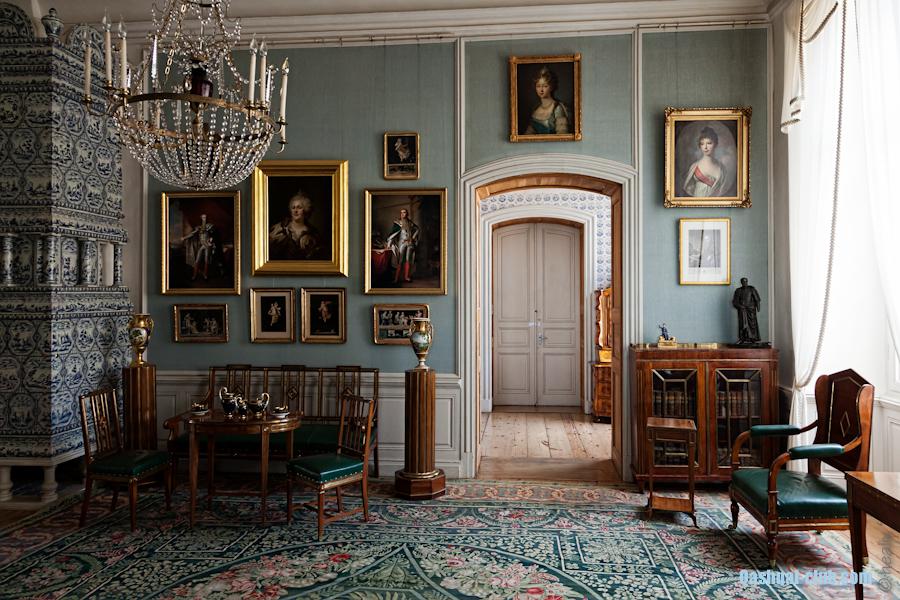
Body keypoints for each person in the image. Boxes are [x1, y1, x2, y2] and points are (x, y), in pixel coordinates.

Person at [269, 190, 323, 260]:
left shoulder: (312, 233)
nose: (295, 211)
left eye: (299, 207)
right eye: (293, 208)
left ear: (305, 210)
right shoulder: (280, 228)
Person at [524, 66, 571, 135]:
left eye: (545, 86)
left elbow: (562, 135)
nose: (541, 90)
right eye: (538, 86)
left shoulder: (557, 108)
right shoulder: (536, 109)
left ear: (551, 87)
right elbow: (528, 135)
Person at [682, 126, 728, 197]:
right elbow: (689, 190)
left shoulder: (722, 169)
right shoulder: (694, 167)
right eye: (702, 144)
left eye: (709, 143)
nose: (705, 147)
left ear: (715, 144)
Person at [385, 208, 420, 283]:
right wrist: (389, 244)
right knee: (400, 261)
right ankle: (396, 279)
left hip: (409, 243)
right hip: (402, 243)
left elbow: (417, 229)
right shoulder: (397, 223)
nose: (403, 214)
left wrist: (413, 238)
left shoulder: (410, 222)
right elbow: (393, 234)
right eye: (401, 213)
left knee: (408, 260)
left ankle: (406, 277)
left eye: (404, 212)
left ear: (407, 214)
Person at [182, 213, 217, 280]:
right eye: (203, 217)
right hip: (202, 245)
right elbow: (192, 234)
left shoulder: (209, 226)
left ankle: (205, 275)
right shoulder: (198, 227)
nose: (204, 219)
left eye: (205, 217)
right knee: (197, 260)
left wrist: (211, 239)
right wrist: (184, 237)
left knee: (206, 260)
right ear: (201, 218)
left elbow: (214, 234)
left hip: (207, 245)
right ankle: (194, 275)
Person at [732, 277, 761, 344]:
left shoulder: (752, 289)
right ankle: (742, 338)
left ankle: (753, 338)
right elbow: (735, 301)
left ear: (747, 282)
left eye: (745, 281)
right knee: (742, 325)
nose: (744, 283)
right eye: (743, 282)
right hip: (742, 310)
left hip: (751, 310)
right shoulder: (738, 290)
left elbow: (757, 299)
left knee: (752, 324)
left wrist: (758, 307)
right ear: (741, 282)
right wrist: (740, 306)